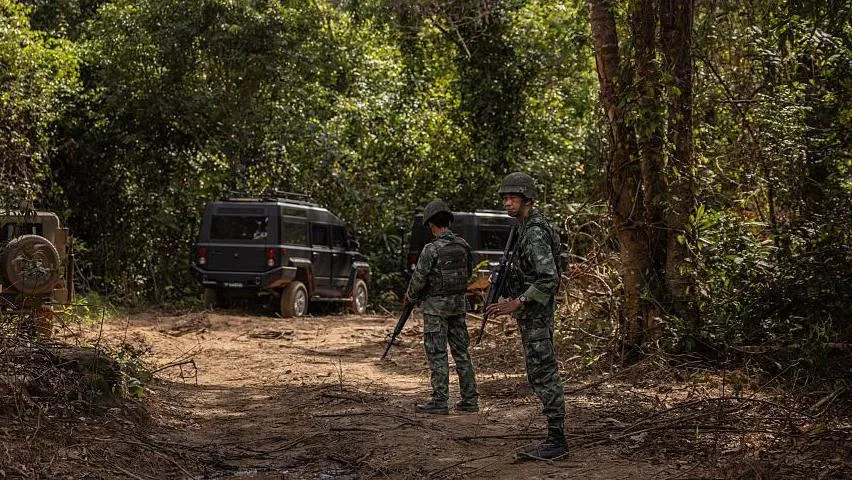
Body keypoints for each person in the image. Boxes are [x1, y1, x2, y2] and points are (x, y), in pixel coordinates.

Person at [485, 172, 567, 460]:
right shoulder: (522, 228)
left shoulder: (533, 232)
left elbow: (548, 278)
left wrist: (516, 302)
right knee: (538, 373)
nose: (507, 203)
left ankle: (557, 441)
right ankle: (555, 436)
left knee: (544, 373)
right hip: (531, 313)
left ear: (528, 200)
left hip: (536, 315)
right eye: (504, 198)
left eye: (513, 198)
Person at [404, 199, 479, 415]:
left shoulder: (431, 249)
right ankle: (470, 400)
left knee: (437, 354)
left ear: (430, 224)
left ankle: (439, 401)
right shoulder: (463, 245)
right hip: (457, 306)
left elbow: (418, 279)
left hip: (436, 309)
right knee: (462, 352)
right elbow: (468, 273)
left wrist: (410, 297)